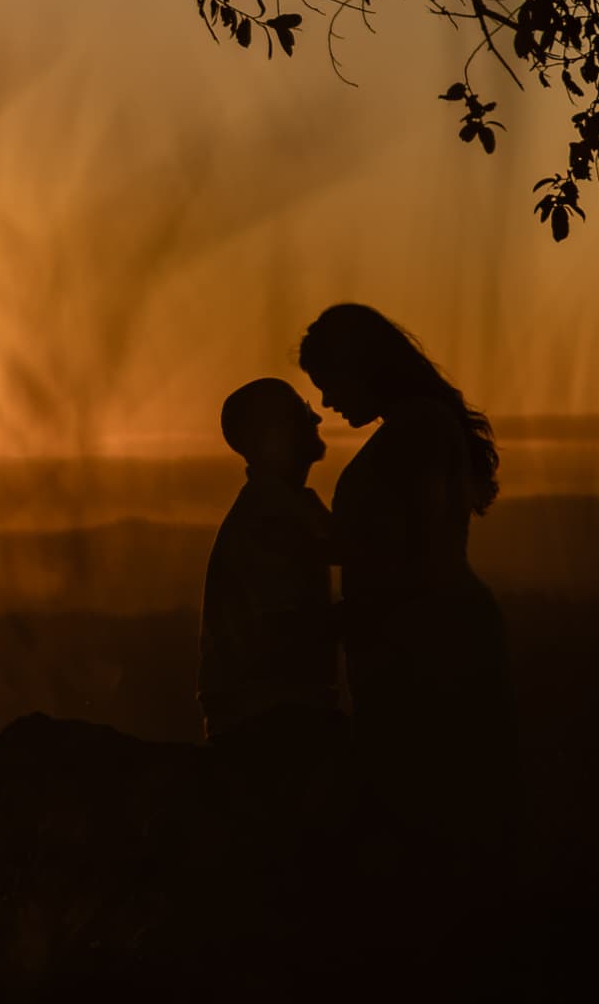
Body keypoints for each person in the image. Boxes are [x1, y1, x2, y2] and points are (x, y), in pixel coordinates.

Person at [297, 302, 510, 816]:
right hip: (423, 646)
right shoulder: (417, 428)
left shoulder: (419, 431)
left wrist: (334, 612)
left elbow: (414, 552)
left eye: (328, 381)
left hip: (432, 655)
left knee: (431, 814)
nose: (325, 401)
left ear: (361, 368)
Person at [197, 377, 342, 747]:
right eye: (302, 414)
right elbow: (286, 624)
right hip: (267, 726)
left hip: (270, 716)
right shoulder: (268, 516)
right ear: (273, 436)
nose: (316, 420)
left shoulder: (286, 505)